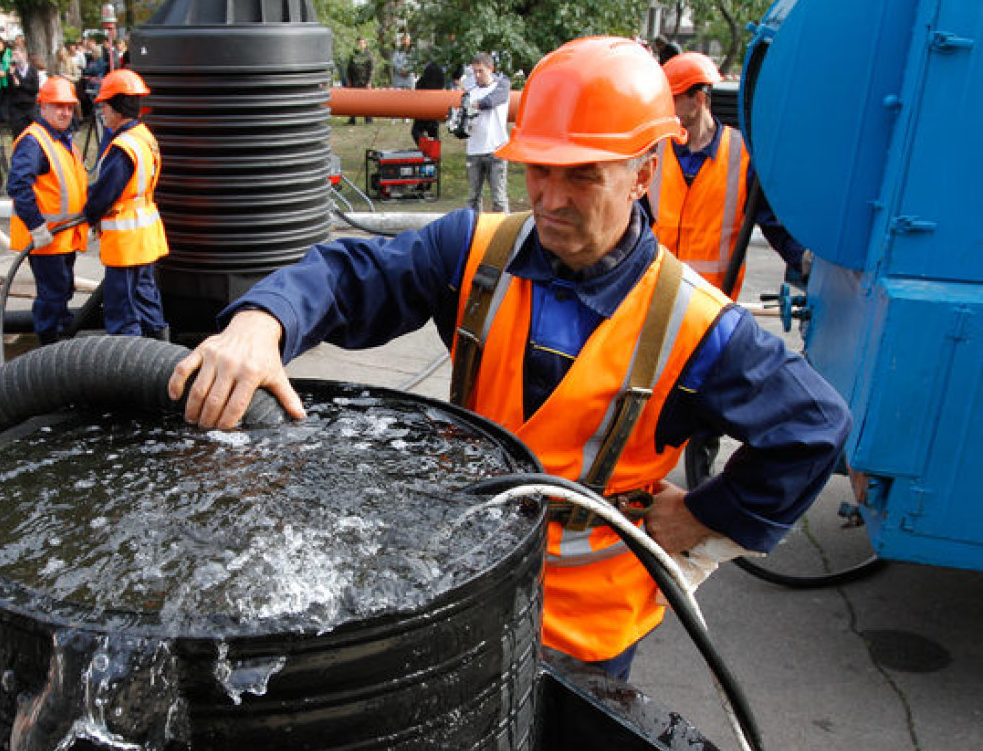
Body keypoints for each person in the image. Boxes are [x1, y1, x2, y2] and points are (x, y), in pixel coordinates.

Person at [167, 36, 852, 681]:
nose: (551, 199)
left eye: (582, 176)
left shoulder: (696, 324)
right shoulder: (476, 250)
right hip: (464, 583)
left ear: (645, 170)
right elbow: (350, 275)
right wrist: (263, 322)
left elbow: (813, 426)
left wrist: (707, 513)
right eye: (540, 169)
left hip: (585, 632)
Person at [647, 51, 810, 297]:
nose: (665, 109)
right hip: (656, 298)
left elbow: (773, 224)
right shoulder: (655, 153)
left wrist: (806, 262)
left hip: (712, 306)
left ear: (699, 99)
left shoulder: (742, 156)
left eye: (673, 100)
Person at [82, 69, 170, 339]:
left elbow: (105, 192)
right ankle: (161, 356)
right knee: (146, 299)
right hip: (145, 236)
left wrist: (88, 214)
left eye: (105, 107)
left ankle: (126, 370)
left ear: (118, 108)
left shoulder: (123, 147)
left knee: (122, 308)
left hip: (125, 241)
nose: (103, 113)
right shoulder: (145, 137)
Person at [7, 77, 89, 345]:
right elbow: (19, 186)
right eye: (58, 106)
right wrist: (36, 226)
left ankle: (61, 343)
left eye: (68, 107)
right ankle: (49, 349)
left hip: (63, 238)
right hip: (47, 238)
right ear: (42, 107)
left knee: (62, 291)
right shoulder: (34, 141)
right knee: (52, 296)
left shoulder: (64, 141)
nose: (65, 112)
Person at [462, 51, 511, 213]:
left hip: (496, 148)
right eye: (474, 71)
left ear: (491, 69)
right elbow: (464, 120)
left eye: (480, 71)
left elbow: (492, 101)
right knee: (473, 198)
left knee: (499, 198)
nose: (477, 75)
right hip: (474, 148)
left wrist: (475, 105)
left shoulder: (502, 85)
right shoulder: (469, 92)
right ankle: (473, 232)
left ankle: (505, 233)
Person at [344, 36, 374, 125]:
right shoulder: (353, 55)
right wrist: (349, 80)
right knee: (353, 101)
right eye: (359, 43)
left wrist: (369, 82)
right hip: (354, 81)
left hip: (364, 81)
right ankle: (352, 119)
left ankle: (368, 119)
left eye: (362, 43)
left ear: (365, 44)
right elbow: (349, 68)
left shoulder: (368, 55)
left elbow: (371, 69)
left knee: (366, 102)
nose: (360, 45)